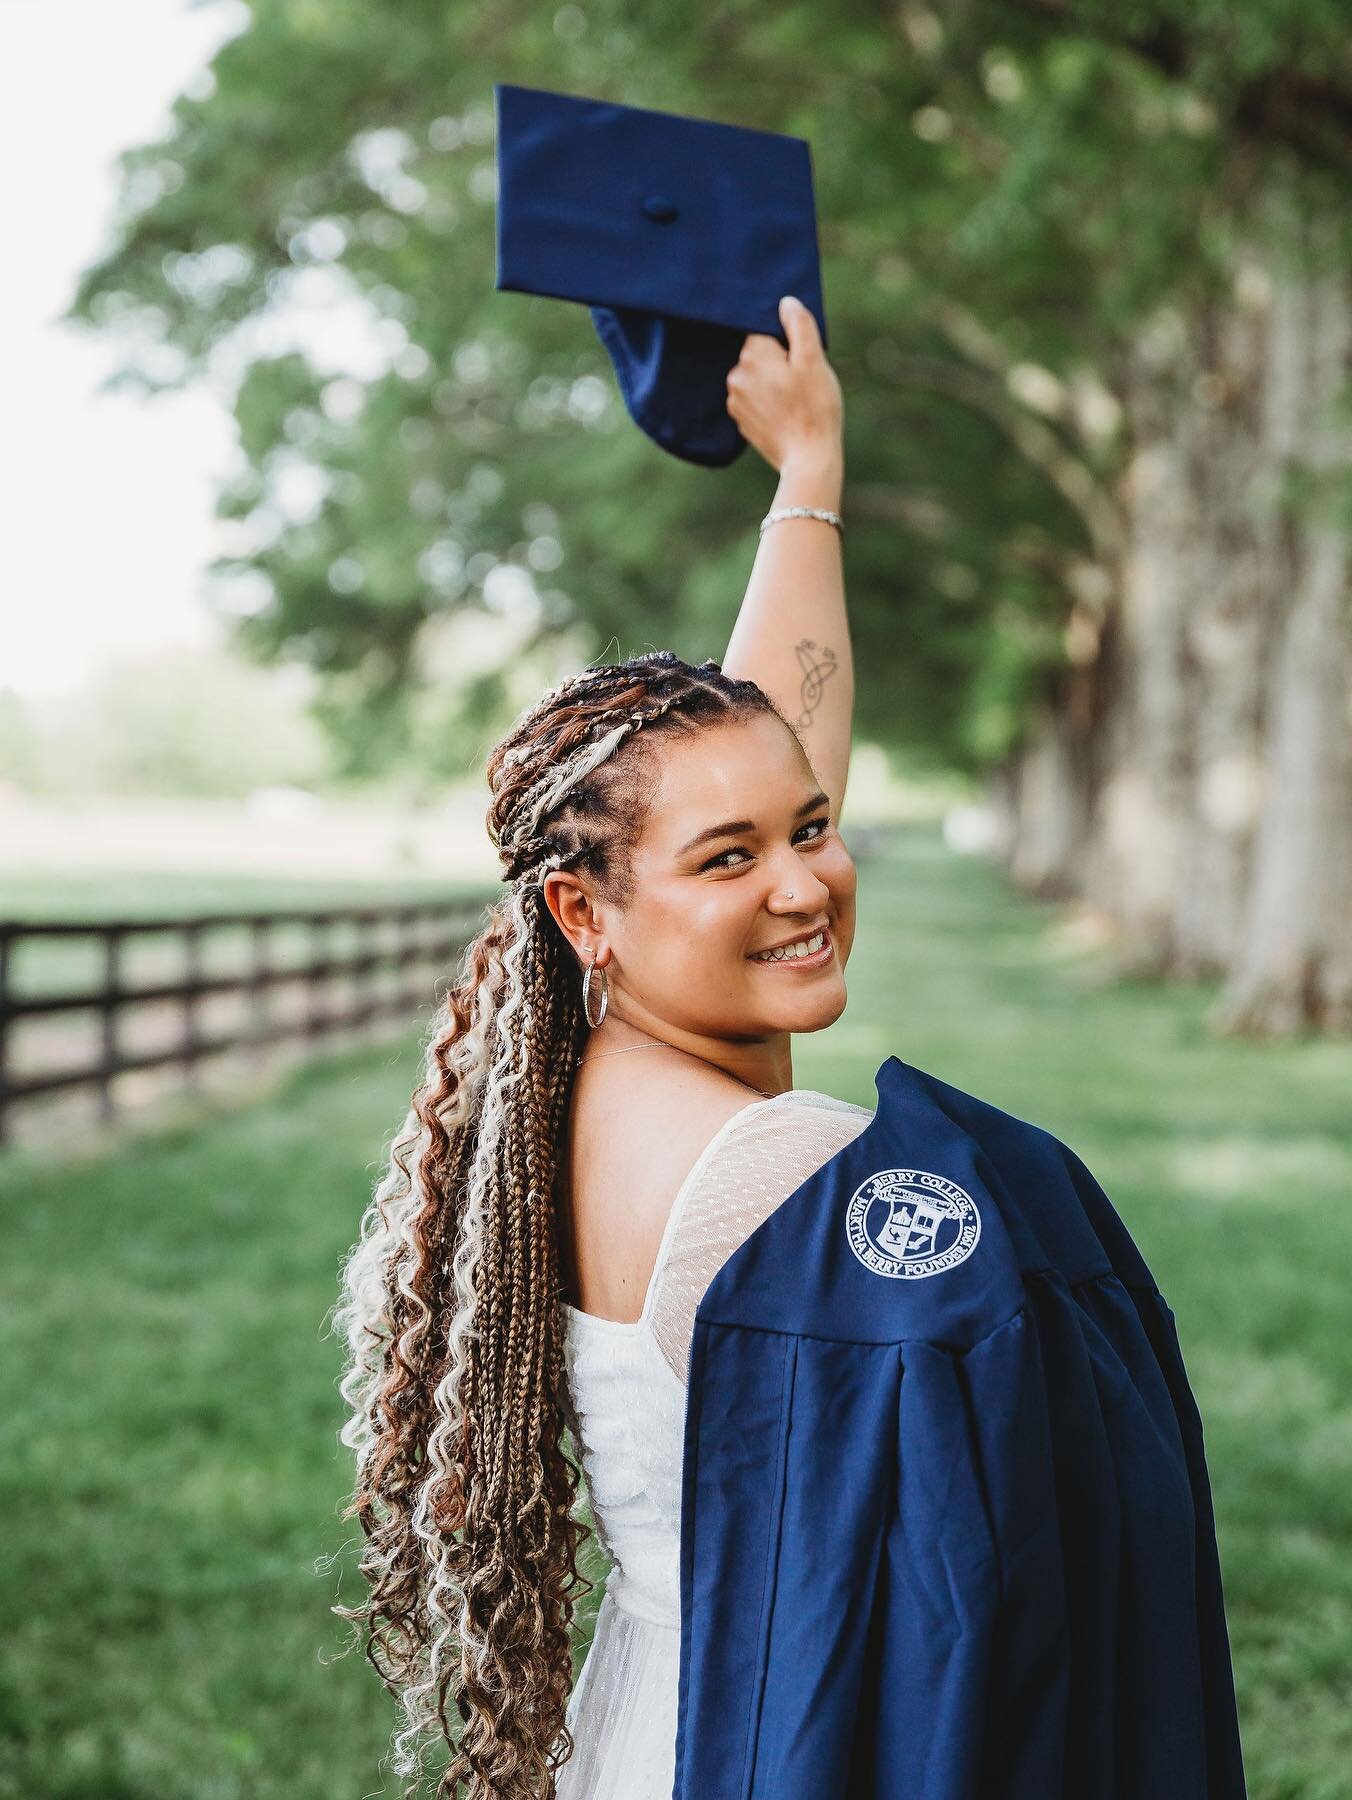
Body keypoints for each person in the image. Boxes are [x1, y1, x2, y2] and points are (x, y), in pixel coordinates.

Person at [329, 292, 858, 1799]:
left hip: (658, 1716)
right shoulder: (781, 1163)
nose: (805, 879)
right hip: (795, 1742)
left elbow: (769, 756)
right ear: (588, 908)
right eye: (728, 859)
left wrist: (805, 478)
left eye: (810, 830)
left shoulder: (588, 1087)